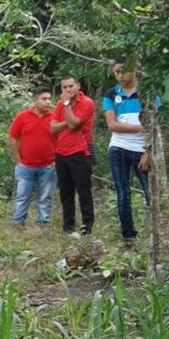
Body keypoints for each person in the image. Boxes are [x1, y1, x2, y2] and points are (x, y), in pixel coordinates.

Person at [103, 61, 152, 250]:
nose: (120, 75)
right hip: (119, 147)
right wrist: (141, 127)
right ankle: (129, 237)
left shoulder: (147, 92)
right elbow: (112, 125)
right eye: (116, 72)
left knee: (150, 192)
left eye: (123, 70)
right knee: (123, 192)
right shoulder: (111, 94)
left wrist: (148, 151)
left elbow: (156, 124)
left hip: (143, 148)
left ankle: (157, 233)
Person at [51, 76, 96, 236]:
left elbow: (74, 124)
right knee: (66, 192)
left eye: (71, 86)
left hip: (80, 152)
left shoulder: (87, 103)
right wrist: (67, 121)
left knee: (84, 191)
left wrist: (67, 105)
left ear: (78, 86)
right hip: (61, 152)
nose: (68, 90)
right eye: (64, 88)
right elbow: (53, 128)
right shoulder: (59, 105)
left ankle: (87, 227)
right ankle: (68, 227)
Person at [8, 86, 56, 227]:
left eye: (49, 99)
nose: (48, 102)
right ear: (35, 100)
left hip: (48, 166)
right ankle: (17, 224)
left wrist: (55, 160)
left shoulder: (54, 118)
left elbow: (61, 139)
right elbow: (13, 138)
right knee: (22, 197)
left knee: (45, 198)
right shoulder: (22, 117)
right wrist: (18, 160)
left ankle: (42, 224)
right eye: (44, 99)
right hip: (25, 166)